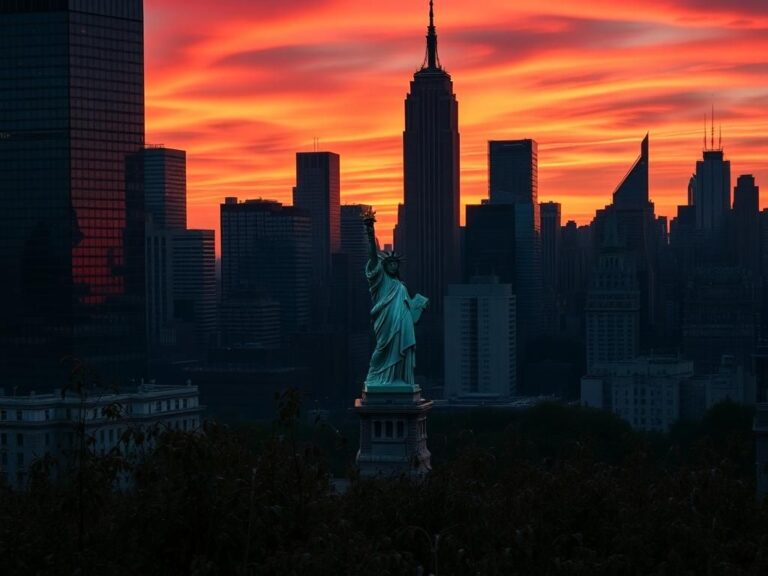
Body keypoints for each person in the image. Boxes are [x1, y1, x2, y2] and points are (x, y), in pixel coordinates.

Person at [362, 209, 428, 390]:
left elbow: (410, 310)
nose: (392, 265)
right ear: (384, 265)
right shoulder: (379, 279)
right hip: (385, 321)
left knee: (402, 350)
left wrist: (419, 304)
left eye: (395, 264)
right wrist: (370, 233)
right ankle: (376, 376)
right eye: (389, 263)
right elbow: (373, 257)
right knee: (382, 349)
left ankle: (399, 379)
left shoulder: (401, 286)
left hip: (402, 323)